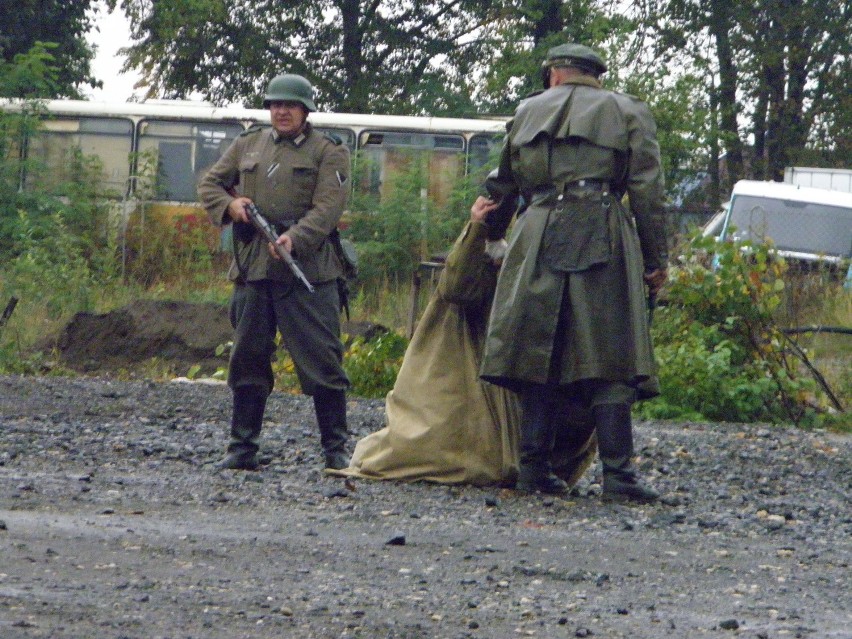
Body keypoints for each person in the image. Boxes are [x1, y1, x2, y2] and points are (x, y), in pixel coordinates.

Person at [474, 43, 668, 501]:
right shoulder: (628, 111)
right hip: (603, 227)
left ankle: (533, 470)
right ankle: (618, 478)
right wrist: (656, 260)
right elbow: (648, 192)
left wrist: (492, 237)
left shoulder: (526, 112)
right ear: (594, 76)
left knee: (538, 349)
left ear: (555, 76)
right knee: (611, 352)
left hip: (537, 230)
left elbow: (502, 183)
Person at [331, 196, 597, 488]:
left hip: (516, 381)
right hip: (462, 379)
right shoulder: (473, 261)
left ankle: (540, 465)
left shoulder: (533, 257)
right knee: (463, 447)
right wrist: (478, 229)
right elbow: (459, 286)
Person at [198, 73, 352, 471]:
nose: (282, 111)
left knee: (323, 361)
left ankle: (336, 450)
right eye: (275, 105)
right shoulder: (248, 144)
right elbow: (211, 184)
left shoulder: (328, 151)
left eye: (291, 105)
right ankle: (242, 447)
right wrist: (232, 208)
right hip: (254, 269)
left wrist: (294, 240)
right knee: (248, 357)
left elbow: (328, 207)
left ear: (306, 110)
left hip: (308, 270)